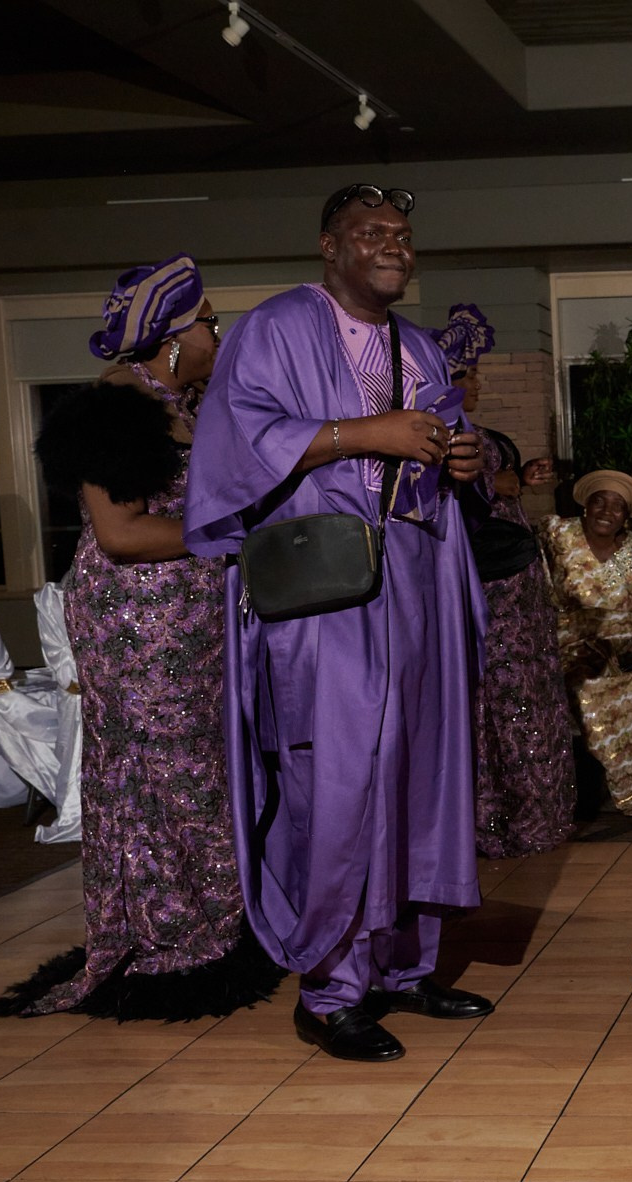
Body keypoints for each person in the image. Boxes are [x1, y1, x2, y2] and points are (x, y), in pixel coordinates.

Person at [184, 185, 494, 1064]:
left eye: (403, 233)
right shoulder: (275, 328)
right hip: (328, 596)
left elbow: (435, 437)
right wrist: (367, 433)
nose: (394, 245)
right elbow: (237, 439)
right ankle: (329, 992)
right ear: (329, 246)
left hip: (415, 584)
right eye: (371, 233)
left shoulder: (418, 346)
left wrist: (462, 455)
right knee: (341, 782)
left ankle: (403, 966)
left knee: (417, 773)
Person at [0, 255, 280, 1020]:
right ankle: (172, 938)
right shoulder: (112, 407)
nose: (219, 334)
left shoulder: (184, 402)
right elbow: (120, 534)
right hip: (137, 621)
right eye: (210, 321)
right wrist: (232, 534)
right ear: (174, 336)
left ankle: (213, 924)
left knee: (198, 765)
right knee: (163, 769)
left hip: (188, 614)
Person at [436, 303, 576, 858]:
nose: (477, 384)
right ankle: (498, 818)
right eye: (467, 375)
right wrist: (495, 483)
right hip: (485, 585)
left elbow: (502, 485)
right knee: (498, 691)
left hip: (517, 581)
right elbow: (448, 491)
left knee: (525, 690)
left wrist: (522, 477)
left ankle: (535, 812)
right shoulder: (437, 436)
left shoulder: (477, 432)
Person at [541, 469, 632, 815]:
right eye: (599, 502)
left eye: (617, 506)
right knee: (587, 689)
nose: (606, 511)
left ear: (626, 516)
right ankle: (619, 791)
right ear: (586, 506)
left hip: (626, 649)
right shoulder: (557, 536)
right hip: (568, 644)